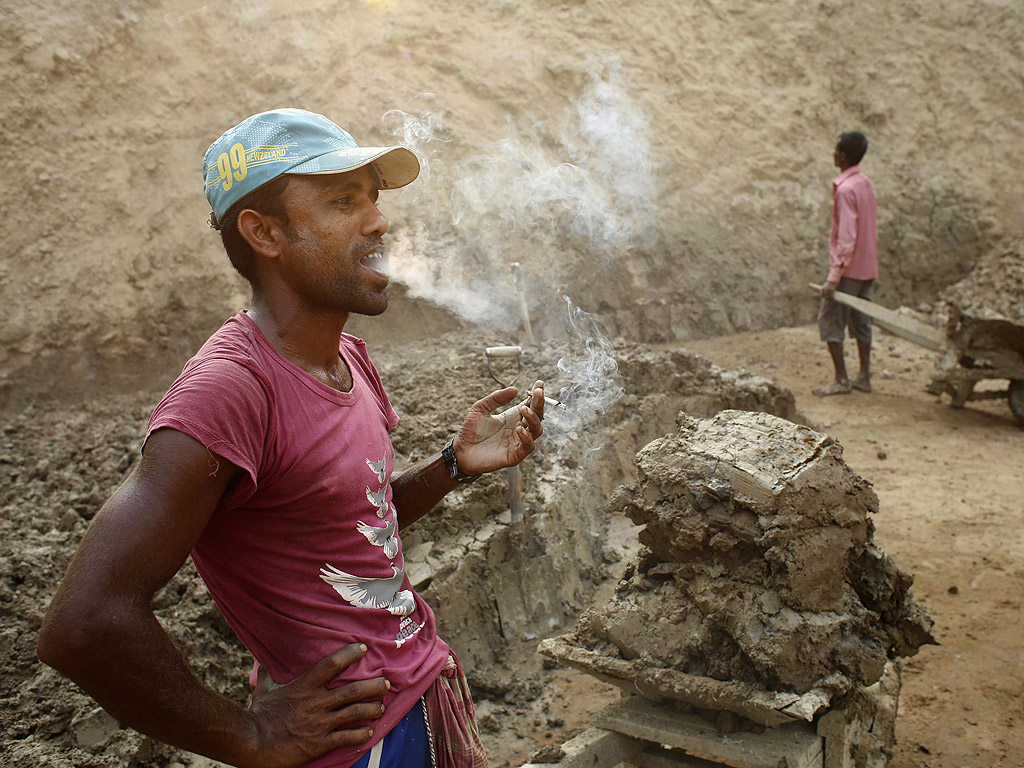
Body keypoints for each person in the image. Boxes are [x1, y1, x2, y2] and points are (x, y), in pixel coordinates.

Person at [37, 108, 546, 768]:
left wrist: (452, 465)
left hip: (421, 694)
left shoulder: (348, 360)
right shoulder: (228, 393)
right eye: (343, 201)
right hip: (355, 746)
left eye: (373, 200)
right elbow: (83, 624)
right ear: (264, 232)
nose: (378, 223)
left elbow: (349, 520)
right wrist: (249, 736)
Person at [814, 130, 879, 397]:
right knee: (862, 320)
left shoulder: (846, 189)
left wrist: (834, 276)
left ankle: (841, 379)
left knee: (830, 319)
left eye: (836, 150)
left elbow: (847, 236)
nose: (833, 154)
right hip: (867, 267)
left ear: (842, 155)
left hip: (849, 269)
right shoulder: (865, 184)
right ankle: (863, 376)